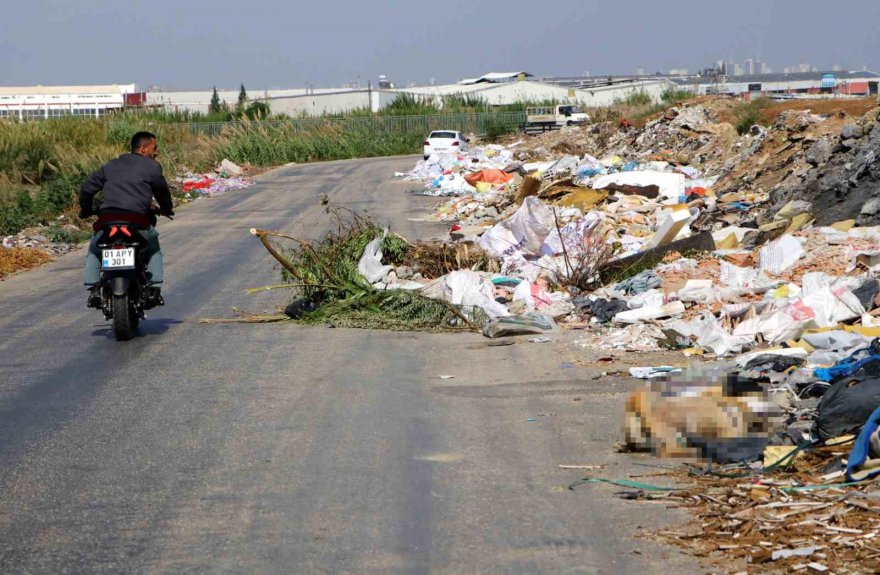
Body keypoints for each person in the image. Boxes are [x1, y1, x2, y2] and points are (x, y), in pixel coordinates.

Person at [79, 131, 174, 307]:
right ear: (144, 149)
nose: (157, 152)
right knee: (153, 248)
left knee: (94, 250)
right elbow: (162, 192)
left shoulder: (111, 166)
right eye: (155, 148)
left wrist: (85, 209)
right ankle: (154, 289)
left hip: (107, 222)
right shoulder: (152, 167)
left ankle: (93, 290)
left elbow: (87, 188)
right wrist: (167, 209)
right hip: (137, 222)